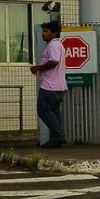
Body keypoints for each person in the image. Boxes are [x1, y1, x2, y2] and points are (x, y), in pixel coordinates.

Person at [30, 20, 68, 148]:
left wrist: (38, 68)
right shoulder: (59, 45)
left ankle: (58, 136)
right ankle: (56, 139)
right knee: (54, 112)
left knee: (43, 110)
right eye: (43, 31)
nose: (43, 34)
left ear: (54, 33)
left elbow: (54, 62)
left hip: (50, 85)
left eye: (46, 31)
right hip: (59, 85)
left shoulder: (53, 45)